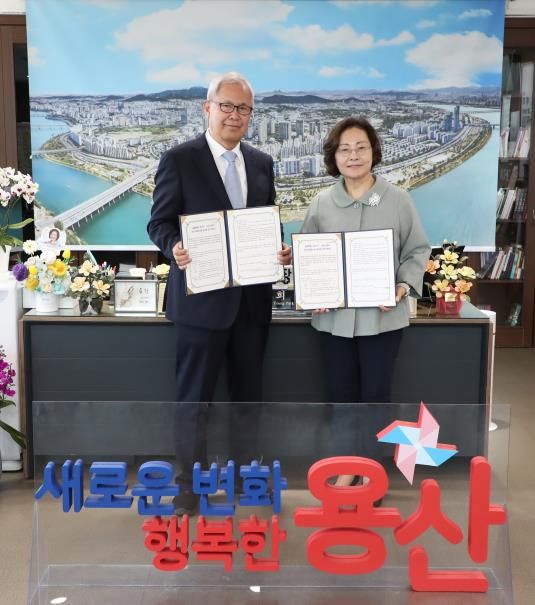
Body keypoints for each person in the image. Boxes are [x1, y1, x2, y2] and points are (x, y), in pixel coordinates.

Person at [147, 72, 291, 513]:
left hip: (251, 303)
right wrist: (174, 247)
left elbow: (266, 221)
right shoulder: (179, 159)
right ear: (207, 108)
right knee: (194, 401)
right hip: (200, 303)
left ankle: (246, 479)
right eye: (226, 106)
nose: (234, 115)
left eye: (243, 108)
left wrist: (279, 250)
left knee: (248, 399)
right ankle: (189, 487)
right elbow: (159, 222)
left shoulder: (262, 162)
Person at [300, 116, 430, 486]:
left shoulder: (398, 199)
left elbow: (417, 250)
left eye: (361, 147)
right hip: (333, 322)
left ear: (374, 152)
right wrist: (314, 292)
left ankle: (370, 473)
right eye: (345, 149)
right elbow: (310, 255)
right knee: (341, 396)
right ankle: (345, 468)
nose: (353, 156)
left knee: (375, 397)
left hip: (382, 320)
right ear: (334, 157)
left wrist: (402, 286)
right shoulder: (322, 202)